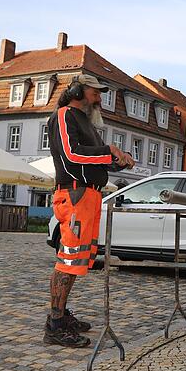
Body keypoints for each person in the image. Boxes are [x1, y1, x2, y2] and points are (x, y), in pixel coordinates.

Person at [44, 74, 135, 347]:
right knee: (68, 259)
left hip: (89, 196)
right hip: (75, 194)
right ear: (77, 91)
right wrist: (109, 151)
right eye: (94, 92)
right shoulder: (63, 115)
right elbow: (71, 154)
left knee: (78, 260)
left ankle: (60, 316)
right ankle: (54, 323)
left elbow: (94, 160)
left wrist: (118, 162)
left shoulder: (87, 121)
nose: (99, 97)